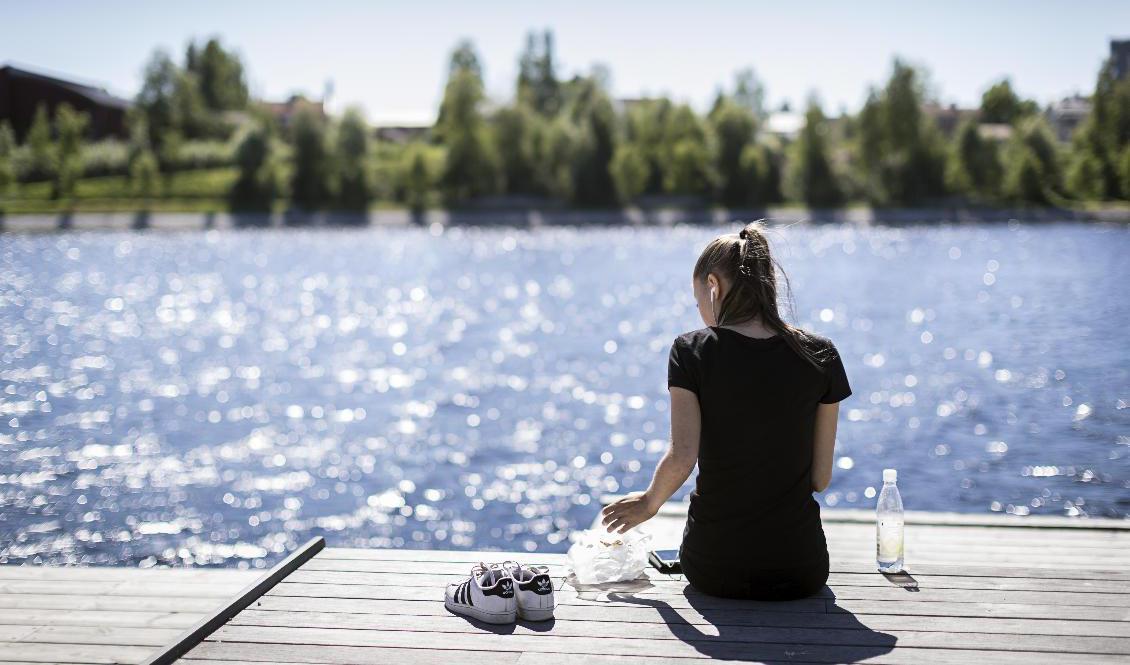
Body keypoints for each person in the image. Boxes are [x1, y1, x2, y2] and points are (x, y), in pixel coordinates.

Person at [600, 221, 852, 601]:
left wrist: (650, 501)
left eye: (698, 298)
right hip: (800, 570)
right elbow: (820, 478)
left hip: (715, 569)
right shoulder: (820, 353)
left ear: (714, 286)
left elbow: (683, 456)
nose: (700, 309)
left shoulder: (691, 351)